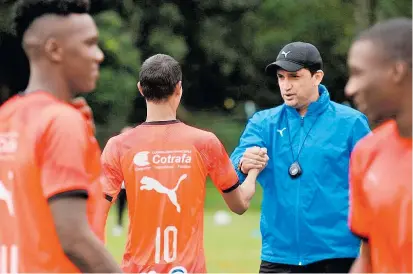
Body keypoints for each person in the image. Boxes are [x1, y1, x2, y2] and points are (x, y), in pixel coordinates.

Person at [99, 54, 267, 273]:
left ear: (141, 89)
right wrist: (253, 170)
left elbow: (94, 216)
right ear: (179, 88)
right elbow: (240, 204)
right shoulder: (204, 142)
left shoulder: (118, 145)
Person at [0, 0, 121, 272]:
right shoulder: (61, 121)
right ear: (54, 49)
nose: (98, 55)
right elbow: (74, 238)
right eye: (89, 44)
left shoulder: (6, 116)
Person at [230, 41, 371, 273]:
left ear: (317, 77)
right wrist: (243, 164)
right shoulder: (263, 123)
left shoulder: (352, 123)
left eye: (294, 77)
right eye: (281, 77)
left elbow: (372, 187)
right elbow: (231, 173)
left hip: (337, 255)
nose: (286, 86)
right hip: (278, 256)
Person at [345, 18, 412, 273]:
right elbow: (369, 257)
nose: (350, 89)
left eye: (358, 73)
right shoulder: (367, 152)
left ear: (397, 71)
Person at [112, 125, 133, 237]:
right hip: (122, 185)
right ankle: (119, 225)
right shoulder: (117, 149)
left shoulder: (137, 149)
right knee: (120, 207)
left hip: (134, 185)